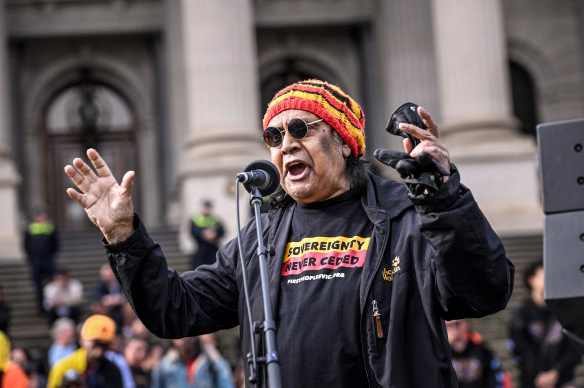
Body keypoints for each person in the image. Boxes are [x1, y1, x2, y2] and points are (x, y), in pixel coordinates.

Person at [64, 78, 514, 387]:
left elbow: (486, 291)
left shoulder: (408, 216)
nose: (286, 144)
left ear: (343, 140)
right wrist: (124, 236)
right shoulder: (262, 233)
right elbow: (175, 310)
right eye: (274, 136)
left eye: (301, 128)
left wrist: (444, 200)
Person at [509, 260, 581, 388]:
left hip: (562, 380)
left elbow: (574, 348)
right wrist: (541, 376)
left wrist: (556, 372)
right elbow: (521, 350)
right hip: (532, 382)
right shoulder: (521, 314)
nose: (549, 278)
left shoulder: (564, 312)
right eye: (544, 274)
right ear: (531, 280)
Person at [48, 314, 124, 388]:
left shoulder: (113, 370)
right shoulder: (62, 368)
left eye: (104, 347)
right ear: (82, 339)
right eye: (94, 346)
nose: (98, 352)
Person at [446, 318, 510, 388]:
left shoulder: (481, 348)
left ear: (467, 323)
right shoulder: (444, 353)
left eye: (457, 324)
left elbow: (497, 374)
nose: (453, 329)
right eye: (448, 325)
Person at [151, 335, 234, 388]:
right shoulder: (164, 367)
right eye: (177, 331)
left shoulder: (211, 362)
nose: (183, 337)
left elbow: (226, 383)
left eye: (187, 331)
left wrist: (214, 356)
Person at [24, 208, 59, 313]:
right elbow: (26, 246)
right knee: (38, 287)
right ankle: (42, 309)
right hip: (36, 261)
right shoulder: (30, 229)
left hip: (47, 260)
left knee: (54, 284)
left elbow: (55, 245)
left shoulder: (50, 228)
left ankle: (52, 307)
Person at [90, 263, 126, 331]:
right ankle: (105, 324)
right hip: (107, 309)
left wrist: (112, 300)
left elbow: (125, 296)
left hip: (120, 309)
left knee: (129, 306)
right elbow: (96, 297)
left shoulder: (121, 283)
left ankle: (126, 328)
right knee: (96, 305)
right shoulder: (100, 285)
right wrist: (110, 300)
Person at [190, 200, 225, 269]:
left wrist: (215, 234)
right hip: (201, 248)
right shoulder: (196, 219)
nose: (206, 210)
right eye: (205, 207)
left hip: (213, 248)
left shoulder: (215, 219)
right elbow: (193, 231)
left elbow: (222, 231)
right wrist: (204, 234)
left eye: (208, 208)